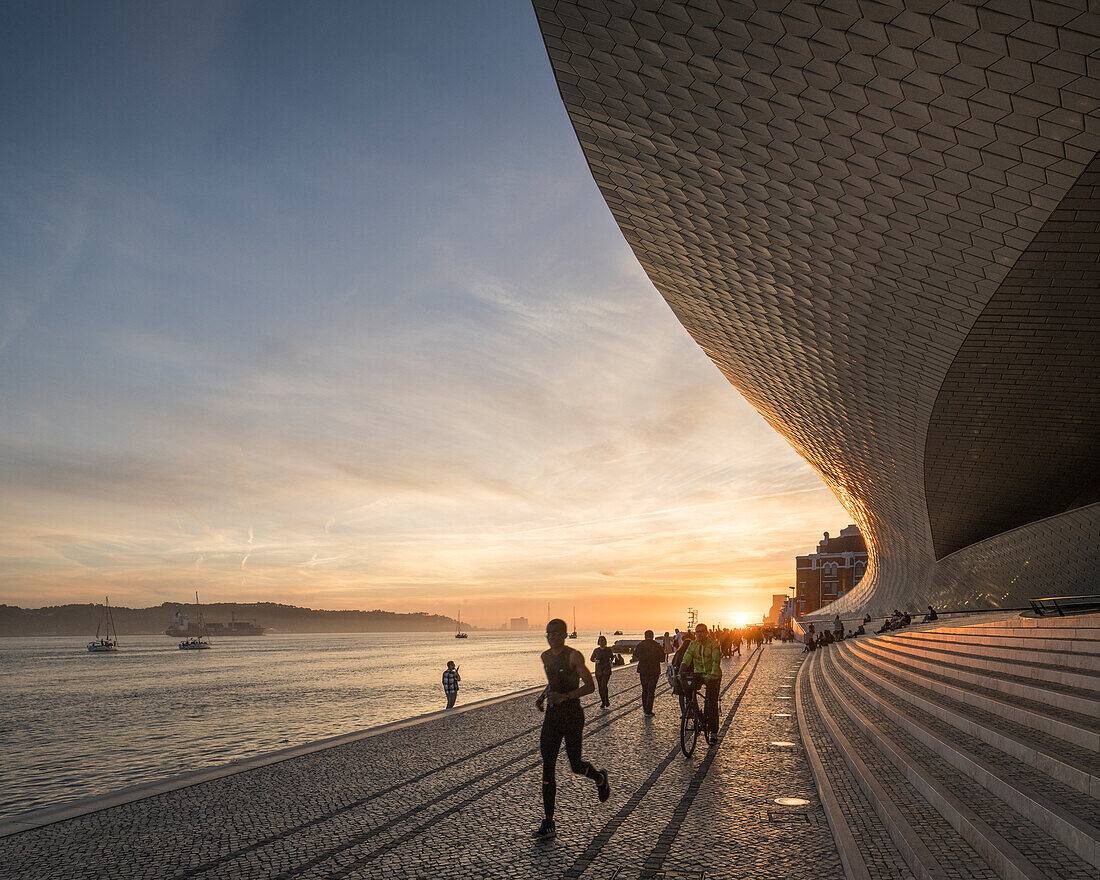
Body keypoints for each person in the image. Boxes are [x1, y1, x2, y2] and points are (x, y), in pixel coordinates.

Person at [533, 618, 610, 840]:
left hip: (572, 715)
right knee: (548, 765)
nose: (551, 637)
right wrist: (542, 697)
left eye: (555, 633)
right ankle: (549, 822)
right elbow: (553, 682)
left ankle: (599, 778)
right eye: (548, 633)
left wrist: (565, 696)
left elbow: (590, 686)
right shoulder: (545, 656)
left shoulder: (574, 656)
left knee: (575, 765)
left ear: (565, 635)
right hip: (552, 716)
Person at [678, 623, 722, 744]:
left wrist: (712, 675)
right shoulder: (693, 645)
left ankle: (713, 732)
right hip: (698, 674)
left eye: (702, 631)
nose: (699, 634)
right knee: (687, 688)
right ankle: (693, 709)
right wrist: (681, 671)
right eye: (697, 632)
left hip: (713, 675)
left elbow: (715, 660)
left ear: (707, 633)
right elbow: (686, 658)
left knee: (711, 703)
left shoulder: (713, 644)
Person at [634, 629, 664, 716]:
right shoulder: (657, 646)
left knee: (645, 690)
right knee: (651, 691)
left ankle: (645, 709)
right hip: (654, 670)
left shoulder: (640, 645)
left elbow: (635, 655)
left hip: (643, 670)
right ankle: (648, 710)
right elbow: (662, 659)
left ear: (645, 636)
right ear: (653, 636)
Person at [670, 632, 694, 715]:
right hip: (690, 675)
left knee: (681, 694)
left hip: (680, 675)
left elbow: (673, 663)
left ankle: (683, 712)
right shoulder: (691, 653)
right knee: (691, 694)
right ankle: (691, 710)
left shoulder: (679, 651)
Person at [590, 635, 614, 708]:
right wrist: (595, 660)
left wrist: (610, 661)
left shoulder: (608, 650)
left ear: (605, 641)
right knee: (600, 687)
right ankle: (603, 702)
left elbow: (612, 657)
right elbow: (591, 659)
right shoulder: (596, 650)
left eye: (603, 640)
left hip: (606, 670)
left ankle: (606, 700)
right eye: (600, 640)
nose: (601, 642)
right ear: (598, 642)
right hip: (598, 670)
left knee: (604, 685)